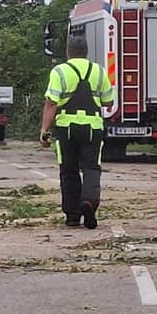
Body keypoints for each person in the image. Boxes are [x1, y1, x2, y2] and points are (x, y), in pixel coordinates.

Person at [39, 34, 114, 229]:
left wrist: (44, 130)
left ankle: (72, 215)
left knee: (68, 170)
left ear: (68, 51)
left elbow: (51, 102)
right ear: (86, 52)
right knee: (91, 168)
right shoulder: (99, 71)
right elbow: (109, 102)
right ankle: (89, 202)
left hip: (67, 128)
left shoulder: (60, 71)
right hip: (92, 127)